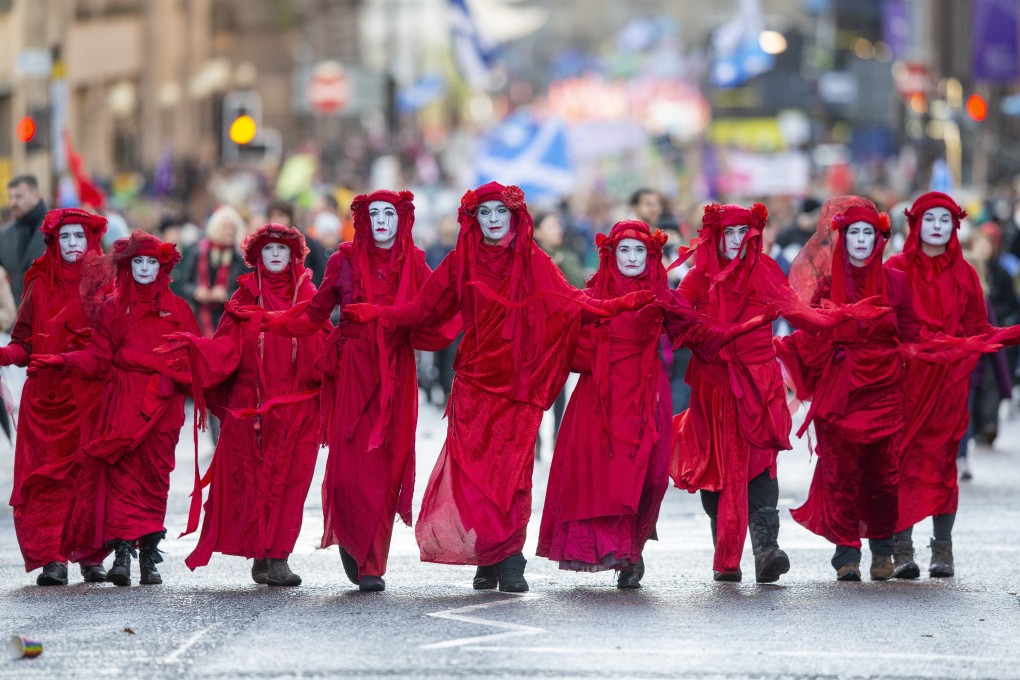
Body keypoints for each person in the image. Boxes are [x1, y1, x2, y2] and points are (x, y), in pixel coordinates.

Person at [344, 182, 653, 592]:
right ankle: (492, 555)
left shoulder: (534, 259)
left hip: (521, 384)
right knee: (475, 479)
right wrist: (376, 315)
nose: (492, 220)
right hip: (474, 382)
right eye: (485, 212)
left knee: (513, 475)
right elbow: (421, 310)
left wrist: (619, 305)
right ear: (475, 217)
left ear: (514, 216)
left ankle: (510, 560)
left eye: (500, 212)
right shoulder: (460, 262)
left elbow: (572, 301)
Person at [538, 220, 772, 587]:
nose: (632, 258)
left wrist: (741, 330)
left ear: (651, 256)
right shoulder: (590, 291)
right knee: (605, 475)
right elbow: (565, 339)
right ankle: (624, 555)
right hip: (601, 396)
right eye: (624, 250)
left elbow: (696, 328)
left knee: (649, 475)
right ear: (611, 254)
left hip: (648, 394)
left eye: (639, 251)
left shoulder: (663, 293)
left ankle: (633, 547)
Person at [262, 190, 456, 591]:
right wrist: (267, 321)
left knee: (386, 465)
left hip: (395, 369)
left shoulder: (416, 262)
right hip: (353, 371)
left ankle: (371, 561)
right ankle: (352, 540)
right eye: (374, 213)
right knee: (350, 467)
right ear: (362, 220)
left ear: (402, 220)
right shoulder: (343, 261)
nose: (382, 220)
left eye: (389, 213)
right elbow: (314, 314)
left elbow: (432, 312)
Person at [671, 202, 864, 583]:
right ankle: (727, 553)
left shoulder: (766, 271)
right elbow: (676, 313)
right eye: (728, 232)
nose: (736, 240)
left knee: (761, 461)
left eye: (743, 232)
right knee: (715, 470)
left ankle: (765, 550)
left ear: (754, 236)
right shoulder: (698, 275)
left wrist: (844, 318)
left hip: (759, 385)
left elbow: (798, 312)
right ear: (715, 235)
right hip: (713, 388)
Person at [160, 223, 328, 587]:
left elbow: (323, 344)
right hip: (252, 405)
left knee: (291, 482)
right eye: (268, 250)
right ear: (257, 257)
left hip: (297, 406)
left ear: (294, 255)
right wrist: (195, 348)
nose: (276, 256)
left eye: (282, 249)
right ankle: (260, 554)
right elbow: (225, 349)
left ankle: (279, 555)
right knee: (253, 483)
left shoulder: (310, 295)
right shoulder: (242, 297)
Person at [31, 231, 200, 587]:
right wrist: (62, 360)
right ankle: (122, 554)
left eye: (151, 261)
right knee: (122, 476)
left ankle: (149, 560)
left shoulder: (180, 310)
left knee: (155, 480)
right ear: (127, 266)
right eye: (137, 261)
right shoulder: (112, 307)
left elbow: (194, 357)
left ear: (162, 266)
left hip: (162, 407)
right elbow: (98, 357)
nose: (143, 267)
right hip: (122, 399)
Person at [776, 198, 919, 581]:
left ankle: (883, 550)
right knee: (842, 474)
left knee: (885, 475)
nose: (860, 239)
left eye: (867, 232)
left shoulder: (898, 283)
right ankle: (847, 554)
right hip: (841, 392)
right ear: (842, 237)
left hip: (886, 390)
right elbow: (810, 332)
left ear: (879, 239)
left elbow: (912, 334)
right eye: (853, 232)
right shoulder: (826, 285)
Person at [886, 192, 1020, 579]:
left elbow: (979, 328)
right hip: (907, 383)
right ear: (915, 224)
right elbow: (883, 327)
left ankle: (942, 549)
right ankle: (901, 548)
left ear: (955, 228)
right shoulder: (894, 269)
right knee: (903, 461)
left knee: (944, 464)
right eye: (931, 219)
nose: (938, 227)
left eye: (946, 221)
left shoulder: (964, 274)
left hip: (949, 384)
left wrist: (1009, 335)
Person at [1, 208, 108, 585]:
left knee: (87, 477)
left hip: (87, 398)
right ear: (53, 242)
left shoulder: (105, 284)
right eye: (65, 237)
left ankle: (90, 557)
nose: (73, 244)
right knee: (45, 482)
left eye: (80, 236)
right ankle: (53, 559)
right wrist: (3, 356)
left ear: (90, 239)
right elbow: (22, 343)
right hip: (43, 401)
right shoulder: (39, 284)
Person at [175, 206, 247, 338]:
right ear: (215, 228)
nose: (230, 232)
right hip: (200, 318)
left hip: (228, 320)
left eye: (233, 228)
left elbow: (245, 293)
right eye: (226, 227)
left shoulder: (239, 259)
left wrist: (227, 295)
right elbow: (184, 284)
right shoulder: (198, 253)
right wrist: (196, 291)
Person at [0, 175, 49, 306]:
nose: (13, 203)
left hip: (50, 318)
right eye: (10, 197)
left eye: (19, 197)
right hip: (16, 320)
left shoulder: (58, 231)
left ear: (36, 196)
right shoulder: (3, 236)